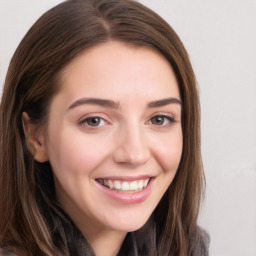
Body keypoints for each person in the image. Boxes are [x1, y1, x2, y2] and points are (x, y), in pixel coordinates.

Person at [0, 0, 209, 255]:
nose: (135, 154)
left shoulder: (188, 248)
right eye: (94, 121)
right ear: (36, 136)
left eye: (159, 119)